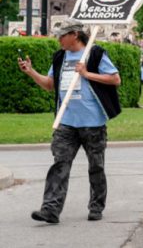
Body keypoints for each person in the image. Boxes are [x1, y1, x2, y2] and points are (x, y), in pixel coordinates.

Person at [18, 18, 121, 224]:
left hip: (93, 122)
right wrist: (30, 72)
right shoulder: (59, 57)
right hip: (65, 121)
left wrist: (86, 74)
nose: (59, 40)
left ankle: (96, 206)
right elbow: (49, 85)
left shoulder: (95, 53)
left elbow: (115, 79)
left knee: (96, 166)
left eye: (62, 36)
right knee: (60, 164)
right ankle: (50, 209)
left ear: (74, 35)